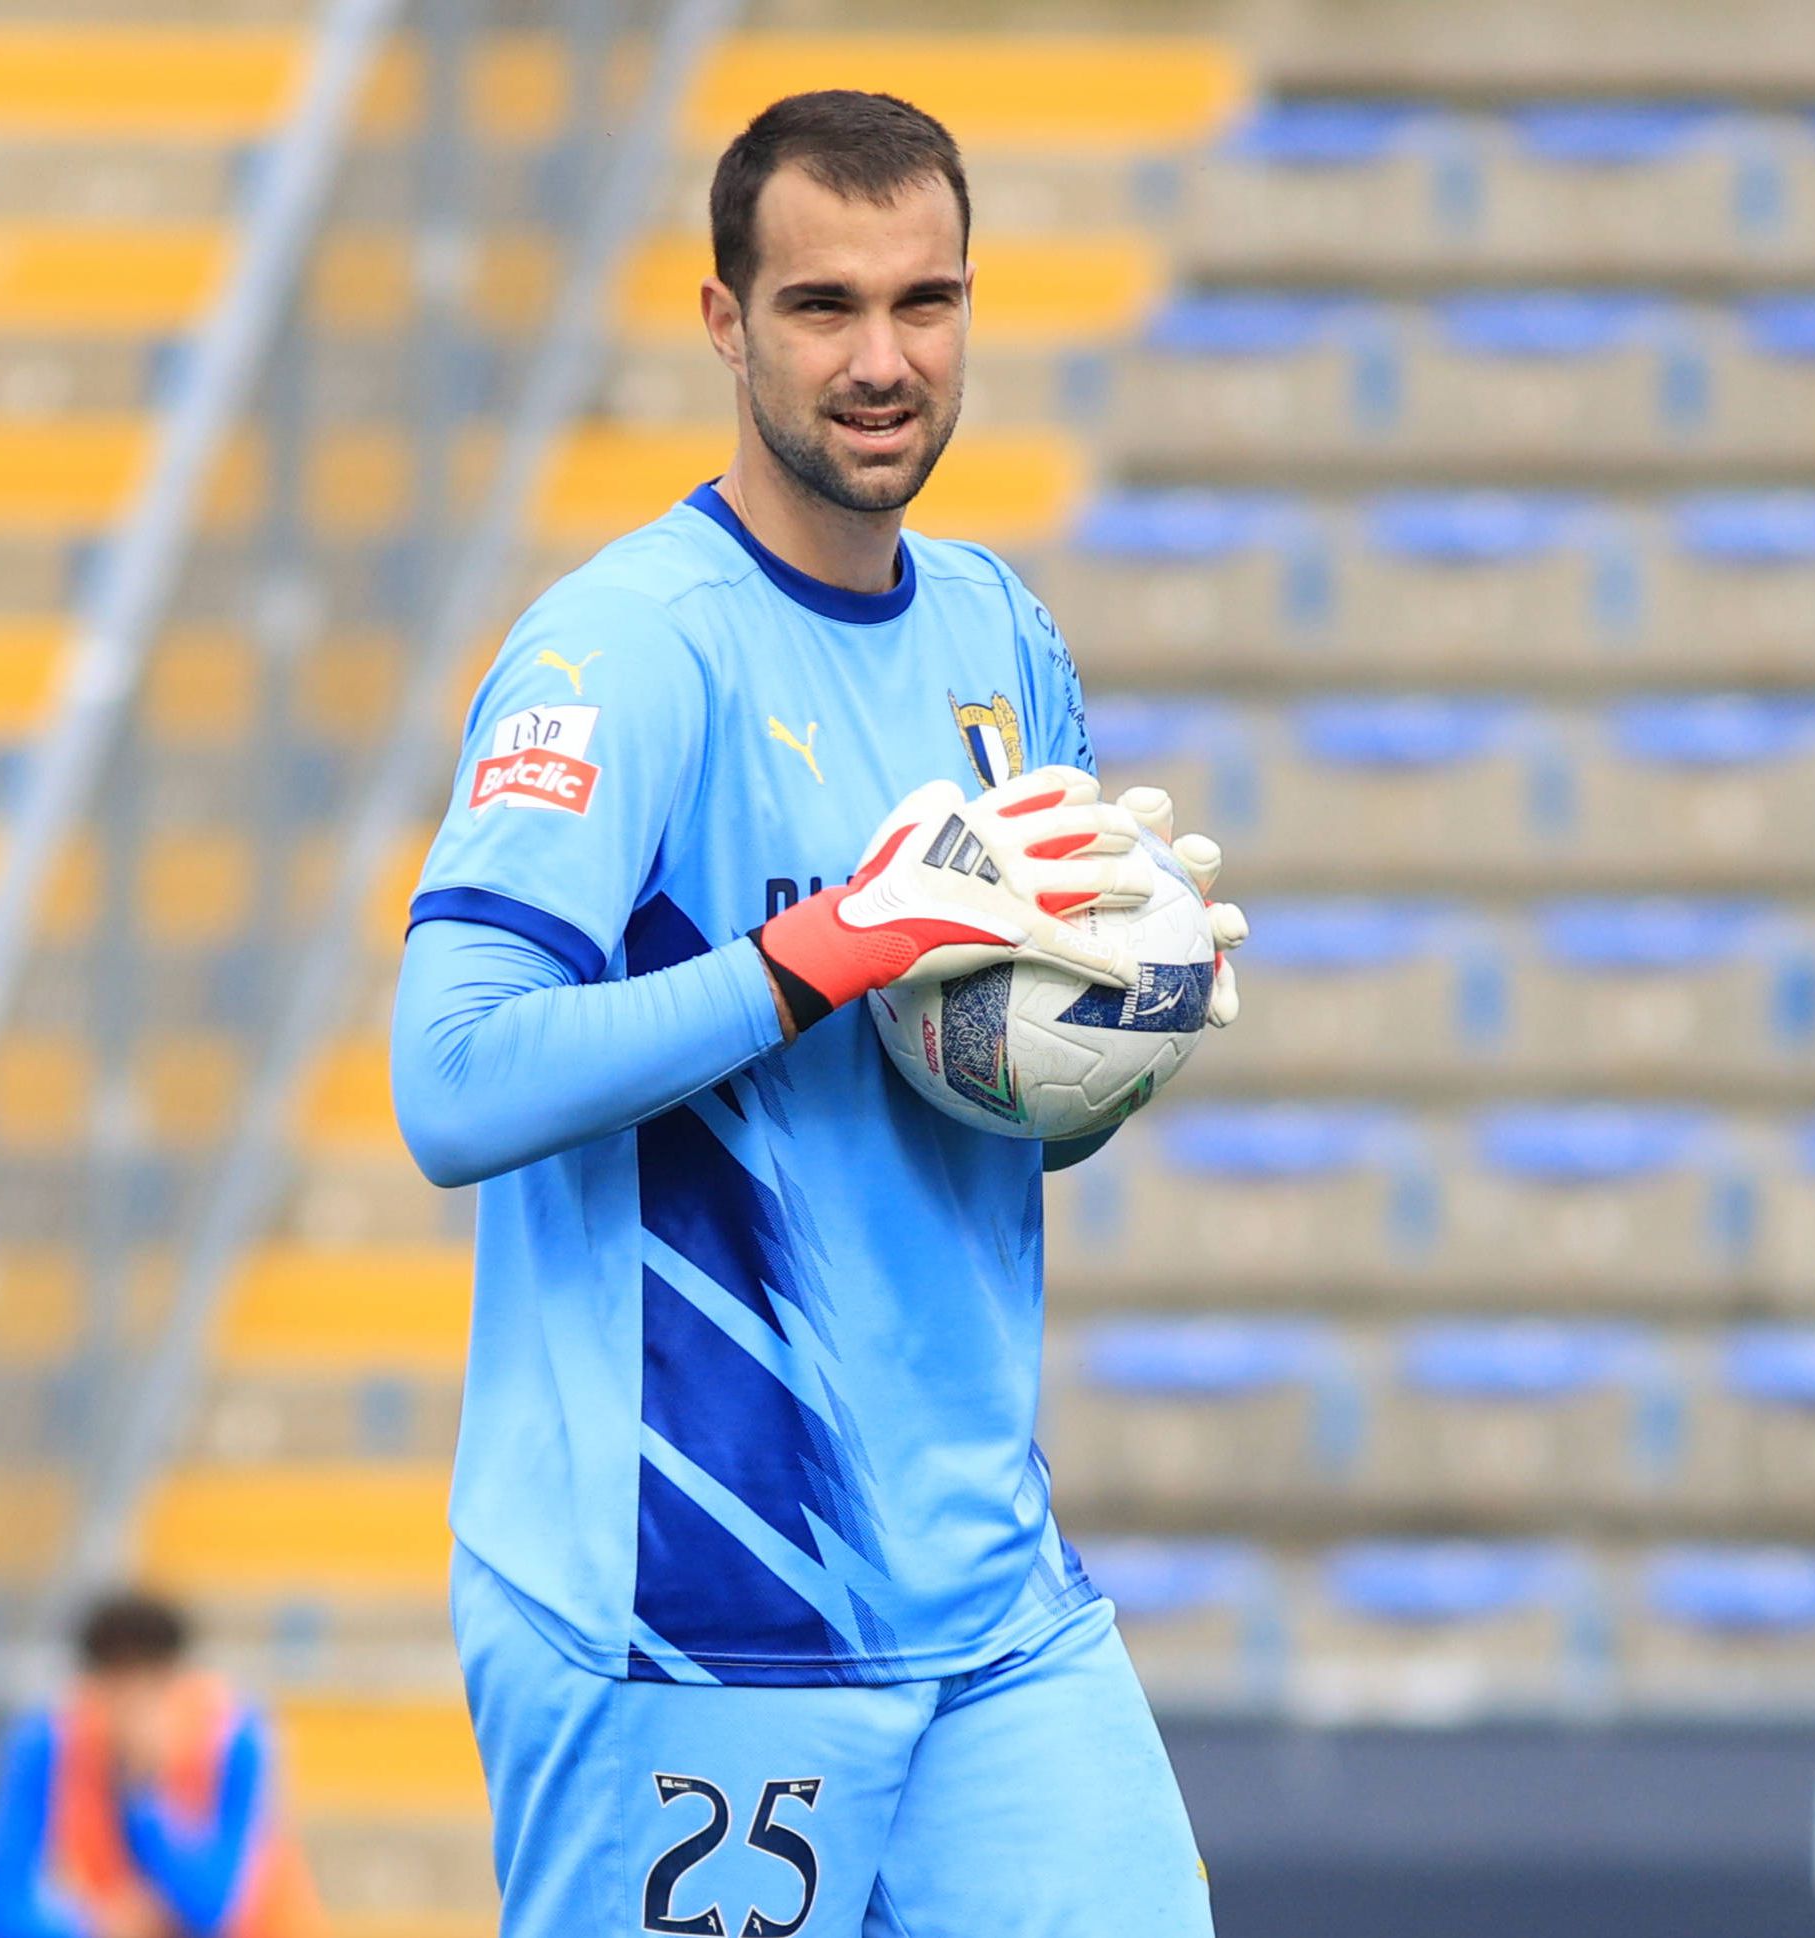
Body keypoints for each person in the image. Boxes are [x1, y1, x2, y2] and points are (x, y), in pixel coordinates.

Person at [389, 88, 1248, 1938]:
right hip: (695, 1615)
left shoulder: (998, 635)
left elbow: (989, 1091)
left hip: (992, 1613)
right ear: (723, 323)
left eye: (924, 303)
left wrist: (1119, 1029)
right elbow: (446, 1083)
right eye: (822, 307)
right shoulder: (623, 651)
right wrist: (823, 947)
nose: (883, 359)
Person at [0, 1590, 323, 1938]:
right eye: (119, 1685)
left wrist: (143, 1794)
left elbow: (213, 1909)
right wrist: (93, 1925)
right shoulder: (49, 1742)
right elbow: (0, 1907)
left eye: (150, 1685)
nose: (133, 1706)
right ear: (91, 1686)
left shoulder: (231, 1738)